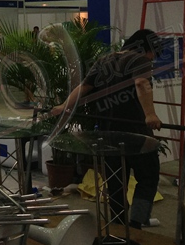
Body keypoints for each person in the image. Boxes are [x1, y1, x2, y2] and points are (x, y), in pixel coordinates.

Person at [51, 29, 163, 229]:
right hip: (135, 131)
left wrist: (63, 106)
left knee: (115, 182)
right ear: (147, 47)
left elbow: (84, 87)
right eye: (154, 53)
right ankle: (137, 223)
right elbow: (141, 82)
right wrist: (150, 114)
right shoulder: (139, 59)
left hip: (107, 132)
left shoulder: (104, 60)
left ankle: (118, 225)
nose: (153, 58)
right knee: (148, 176)